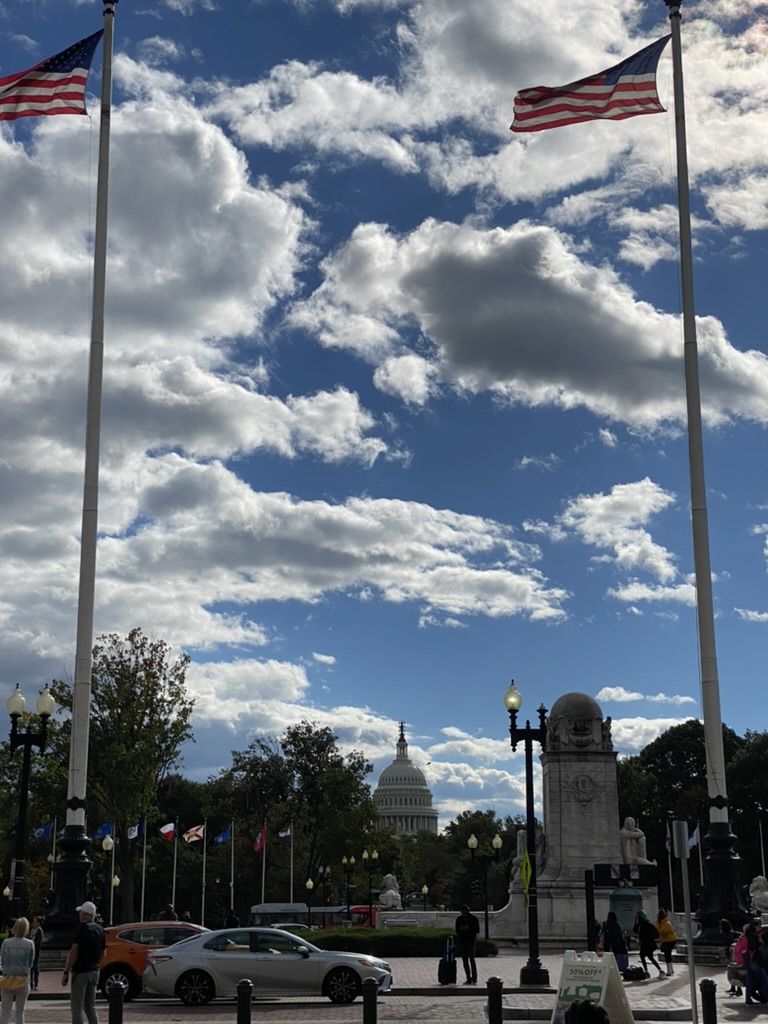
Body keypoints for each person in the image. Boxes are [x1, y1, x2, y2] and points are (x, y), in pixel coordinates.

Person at [61, 901, 106, 1024]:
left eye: (81, 912)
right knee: (90, 1006)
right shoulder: (100, 929)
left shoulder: (81, 929)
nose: (79, 915)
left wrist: (66, 971)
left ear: (86, 915)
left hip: (81, 971)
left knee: (77, 1006)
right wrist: (96, 964)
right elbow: (103, 953)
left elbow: (74, 951)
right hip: (94, 970)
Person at [0, 916, 34, 1024]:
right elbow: (30, 963)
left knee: (5, 1012)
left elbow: (3, 960)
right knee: (20, 1012)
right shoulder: (30, 944)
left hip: (8, 978)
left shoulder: (6, 942)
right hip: (23, 979)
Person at [633, 909, 664, 979]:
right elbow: (635, 930)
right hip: (648, 944)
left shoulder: (645, 925)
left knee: (643, 956)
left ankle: (648, 971)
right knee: (649, 957)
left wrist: (646, 937)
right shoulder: (644, 925)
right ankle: (659, 970)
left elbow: (656, 934)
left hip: (647, 943)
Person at [454, 904, 480, 986]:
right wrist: (461, 929)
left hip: (471, 941)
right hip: (462, 941)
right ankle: (468, 978)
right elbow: (457, 929)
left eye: (464, 911)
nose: (463, 913)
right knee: (465, 961)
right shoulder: (459, 919)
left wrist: (468, 929)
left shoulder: (473, 919)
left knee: (472, 960)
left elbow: (477, 929)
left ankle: (474, 978)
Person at [657, 909, 678, 976]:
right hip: (667, 940)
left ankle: (670, 970)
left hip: (669, 940)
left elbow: (662, 932)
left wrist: (658, 927)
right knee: (667, 955)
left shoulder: (666, 923)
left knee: (667, 955)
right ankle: (670, 969)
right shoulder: (662, 923)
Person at [28, 917, 44, 992]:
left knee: (35, 967)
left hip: (36, 951)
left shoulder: (39, 931)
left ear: (38, 923)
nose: (33, 923)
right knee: (31, 968)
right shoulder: (32, 931)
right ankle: (31, 984)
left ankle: (36, 984)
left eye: (35, 922)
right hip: (31, 951)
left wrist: (35, 946)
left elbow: (39, 942)